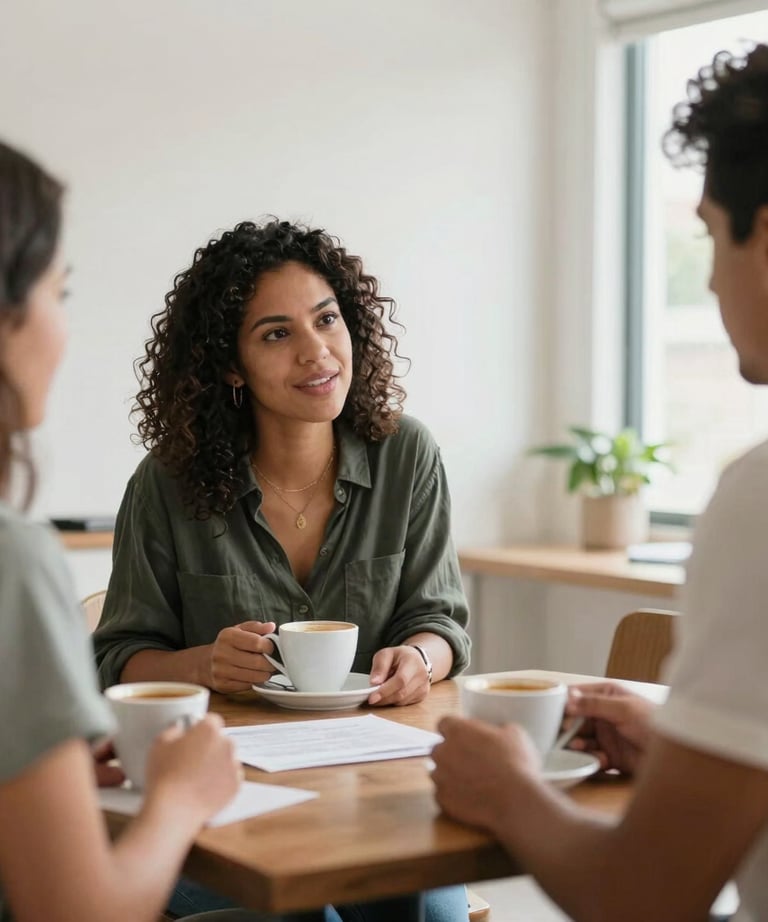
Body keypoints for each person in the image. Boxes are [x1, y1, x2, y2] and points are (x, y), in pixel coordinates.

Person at [432, 43, 768, 922]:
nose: (708, 275)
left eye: (707, 233)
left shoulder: (760, 502)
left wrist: (507, 790)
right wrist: (696, 752)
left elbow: (645, 899)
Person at [91, 218, 471, 921]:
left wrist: (421, 657)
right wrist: (202, 663)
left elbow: (440, 619)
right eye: (276, 334)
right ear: (231, 365)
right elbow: (118, 659)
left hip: (381, 787)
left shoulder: (406, 455)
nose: (316, 352)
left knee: (423, 909)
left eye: (326, 320)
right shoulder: (167, 484)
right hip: (226, 803)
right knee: (303, 914)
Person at [0, 139, 244, 922]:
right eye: (58, 293)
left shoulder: (409, 457)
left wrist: (44, 771)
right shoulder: (12, 558)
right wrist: (179, 796)